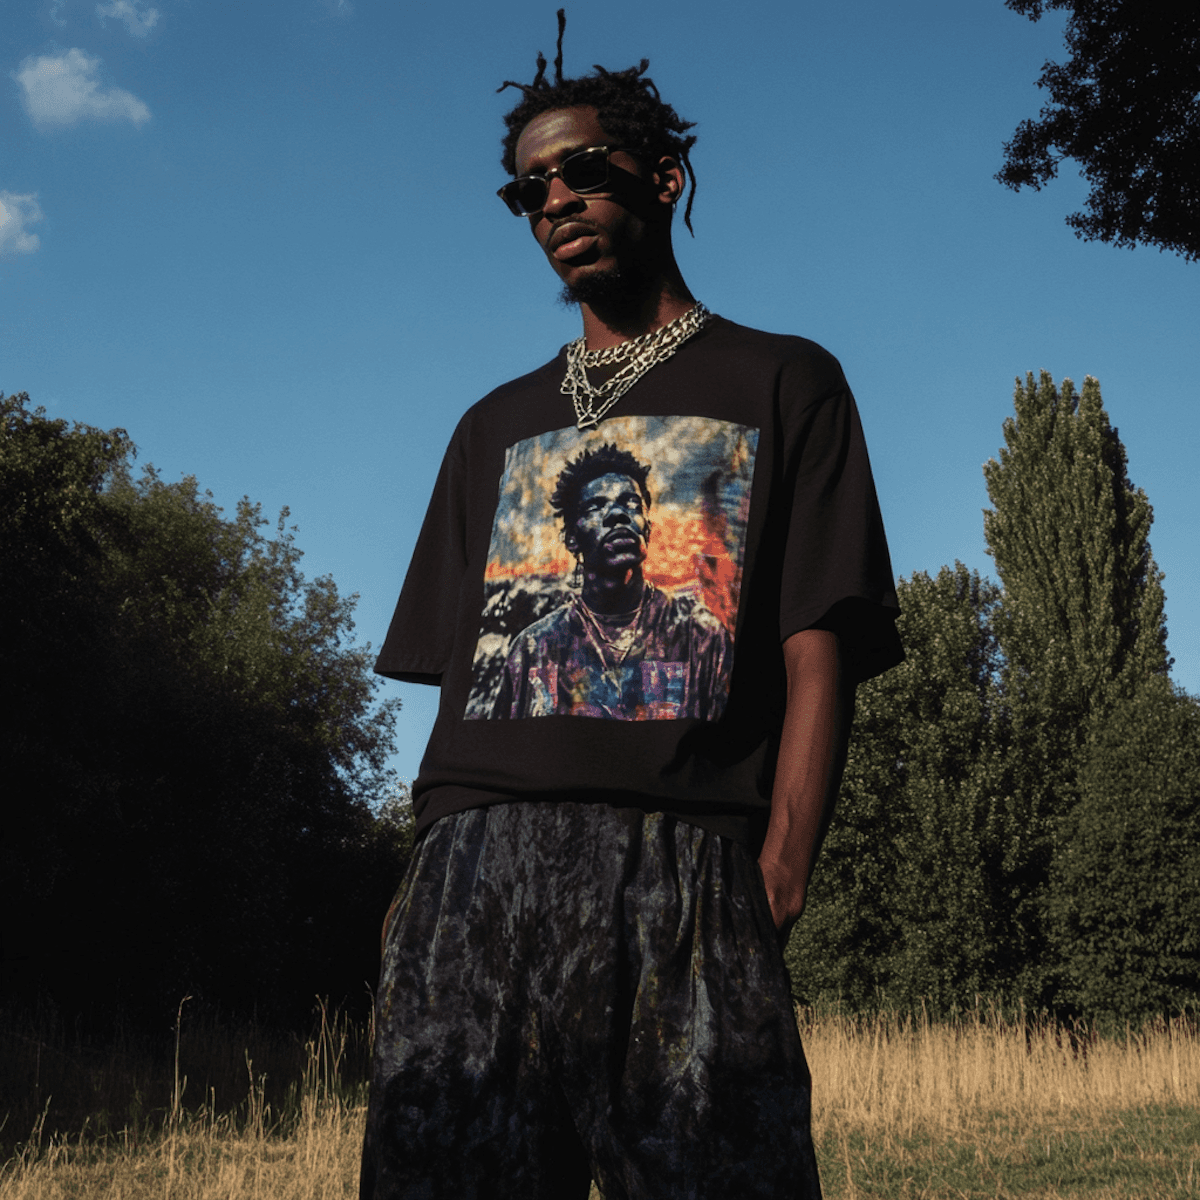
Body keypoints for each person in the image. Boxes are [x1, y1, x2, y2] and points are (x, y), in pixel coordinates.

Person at [360, 13, 903, 1200]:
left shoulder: (783, 380)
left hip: (684, 861)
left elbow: (819, 642)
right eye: (529, 190)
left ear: (664, 177)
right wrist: (429, 885)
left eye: (582, 170)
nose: (554, 200)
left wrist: (781, 868)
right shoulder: (492, 426)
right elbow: (462, 687)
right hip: (473, 879)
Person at [492, 442, 733, 720]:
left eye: (631, 503)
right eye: (594, 507)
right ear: (572, 539)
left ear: (648, 527)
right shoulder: (535, 649)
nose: (618, 514)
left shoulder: (699, 634)